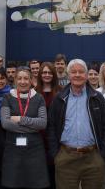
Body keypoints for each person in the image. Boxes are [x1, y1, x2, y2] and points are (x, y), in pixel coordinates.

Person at [48, 58, 105, 189]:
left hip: (93, 157)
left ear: (86, 75)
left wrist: (103, 155)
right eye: (73, 72)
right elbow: (51, 127)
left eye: (81, 72)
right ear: (68, 75)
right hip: (66, 157)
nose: (77, 75)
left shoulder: (97, 97)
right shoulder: (59, 98)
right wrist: (56, 155)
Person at [1, 67, 49, 188]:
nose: (23, 82)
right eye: (19, 78)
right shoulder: (7, 98)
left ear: (31, 80)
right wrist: (33, 127)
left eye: (26, 78)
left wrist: (20, 119)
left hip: (34, 150)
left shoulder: (39, 98)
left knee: (35, 184)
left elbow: (42, 123)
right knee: (12, 183)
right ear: (15, 80)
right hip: (13, 150)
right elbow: (5, 124)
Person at [35, 61, 61, 189]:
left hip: (56, 140)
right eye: (44, 72)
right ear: (40, 74)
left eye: (49, 72)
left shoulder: (61, 92)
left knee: (55, 176)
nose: (47, 75)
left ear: (54, 75)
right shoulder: (33, 92)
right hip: (38, 139)